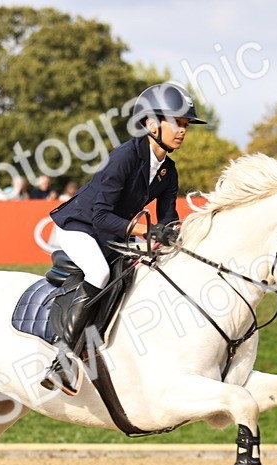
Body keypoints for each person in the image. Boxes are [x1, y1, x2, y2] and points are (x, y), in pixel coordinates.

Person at [41, 82, 205, 393]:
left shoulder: (168, 171)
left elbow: (167, 219)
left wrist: (182, 236)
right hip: (79, 226)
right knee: (100, 272)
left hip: (112, 231)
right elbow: (101, 217)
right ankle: (62, 360)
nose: (182, 131)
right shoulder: (124, 157)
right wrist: (147, 230)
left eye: (185, 125)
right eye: (177, 123)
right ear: (150, 123)